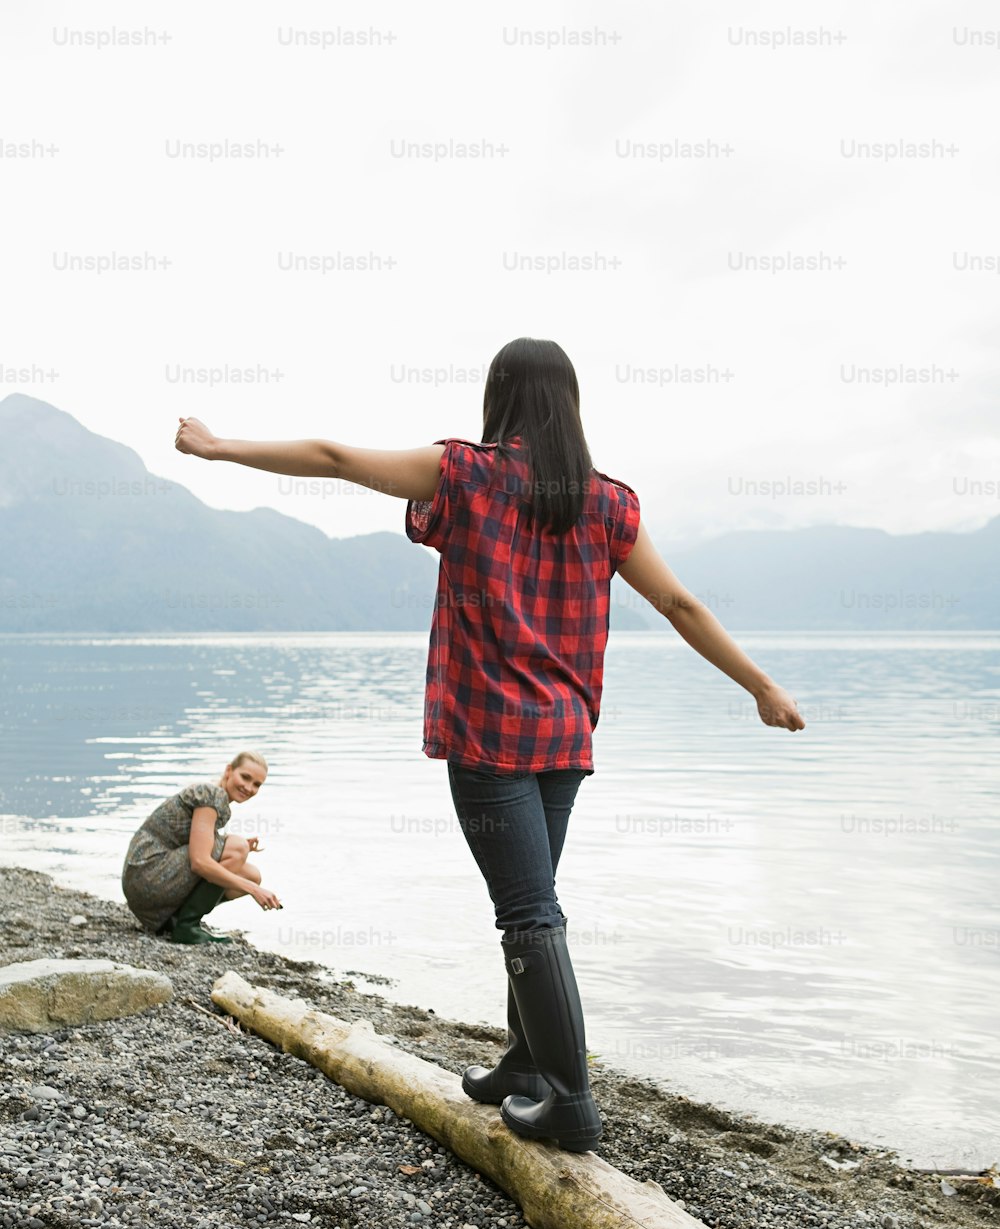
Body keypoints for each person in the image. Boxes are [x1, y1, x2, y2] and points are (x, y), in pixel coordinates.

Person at [174, 336, 804, 1148]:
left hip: (489, 737)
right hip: (565, 738)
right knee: (534, 898)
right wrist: (760, 686)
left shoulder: (465, 473)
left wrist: (221, 448)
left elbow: (335, 457)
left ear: (498, 398)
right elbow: (680, 603)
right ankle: (524, 1065)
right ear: (570, 404)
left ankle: (571, 1102)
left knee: (528, 912)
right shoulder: (610, 503)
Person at [121, 751, 282, 944]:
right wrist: (255, 890)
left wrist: (244, 865)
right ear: (229, 770)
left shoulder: (214, 797)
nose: (249, 787)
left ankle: (176, 920)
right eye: (245, 777)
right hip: (147, 876)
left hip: (146, 887)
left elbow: (192, 840)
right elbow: (199, 862)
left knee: (250, 874)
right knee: (237, 850)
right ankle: (188, 926)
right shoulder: (210, 795)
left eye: (257, 784)